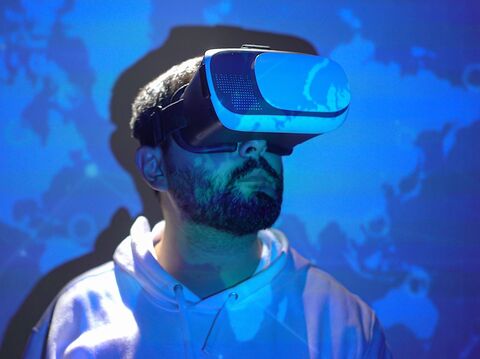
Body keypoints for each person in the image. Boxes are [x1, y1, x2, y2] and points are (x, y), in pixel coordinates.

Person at [24, 48, 392, 358]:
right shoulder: (78, 318)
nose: (255, 147)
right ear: (154, 168)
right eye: (224, 132)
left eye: (269, 133)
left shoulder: (341, 323)